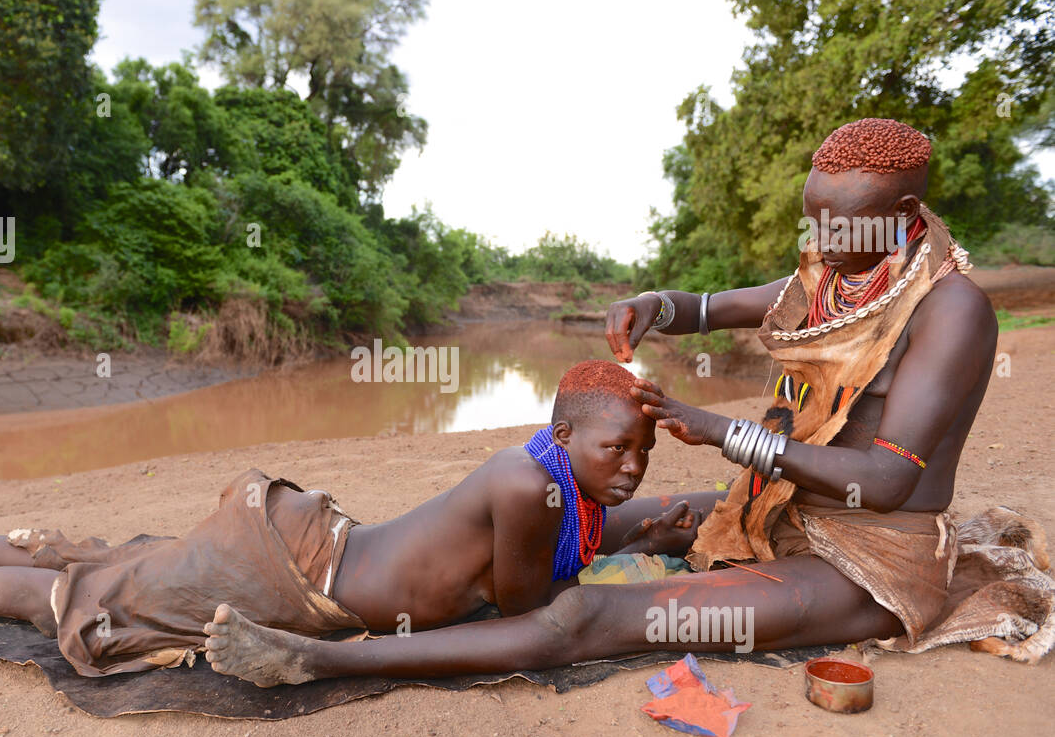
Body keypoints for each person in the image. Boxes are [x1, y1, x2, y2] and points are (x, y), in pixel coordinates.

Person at [202, 118, 1053, 687]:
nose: (821, 248)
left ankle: (316, 659)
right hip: (791, 508)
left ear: (904, 215)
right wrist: (657, 305)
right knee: (649, 514)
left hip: (867, 561)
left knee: (588, 614)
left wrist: (726, 434)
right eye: (813, 225)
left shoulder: (952, 310)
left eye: (843, 230)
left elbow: (886, 480)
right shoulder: (833, 273)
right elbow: (713, 308)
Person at [0, 361, 705, 676]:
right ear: (560, 435)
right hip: (289, 575)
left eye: (642, 456)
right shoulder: (527, 487)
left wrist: (632, 528)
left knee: (108, 559)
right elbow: (523, 606)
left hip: (303, 543)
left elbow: (546, 552)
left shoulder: (549, 479)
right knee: (79, 597)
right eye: (613, 450)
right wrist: (619, 545)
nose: (628, 469)